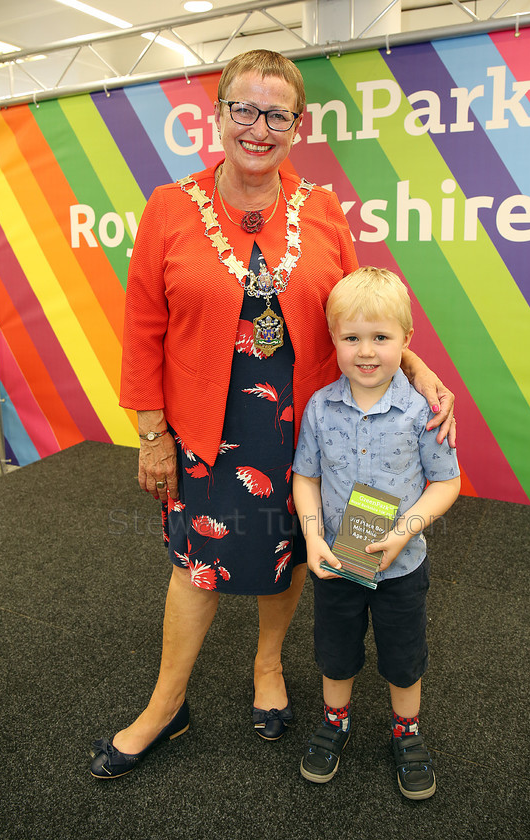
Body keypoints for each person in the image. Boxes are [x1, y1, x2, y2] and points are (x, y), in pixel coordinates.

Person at [89, 51, 455, 779]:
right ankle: (167, 705)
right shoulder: (170, 206)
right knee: (198, 567)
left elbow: (357, 304)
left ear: (298, 125)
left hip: (311, 428)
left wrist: (415, 364)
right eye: (244, 110)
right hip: (207, 431)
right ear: (218, 115)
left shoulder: (320, 207)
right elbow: (142, 329)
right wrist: (152, 434)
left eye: (277, 114)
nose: (259, 127)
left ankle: (267, 669)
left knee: (290, 552)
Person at [292, 266, 461, 799]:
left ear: (407, 341)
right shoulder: (320, 408)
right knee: (335, 651)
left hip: (401, 568)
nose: (367, 352)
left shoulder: (423, 412)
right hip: (339, 564)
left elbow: (445, 483)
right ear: (334, 341)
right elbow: (306, 477)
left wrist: (405, 531)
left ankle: (406, 732)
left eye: (382, 338)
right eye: (352, 338)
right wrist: (314, 538)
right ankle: (335, 720)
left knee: (402, 657)